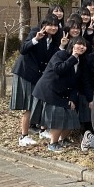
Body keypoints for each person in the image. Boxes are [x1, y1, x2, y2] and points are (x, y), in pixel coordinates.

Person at [30, 36, 88, 152]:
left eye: (84, 45)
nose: (82, 47)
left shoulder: (82, 61)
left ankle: (63, 139)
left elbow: (77, 82)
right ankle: (53, 143)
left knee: (72, 115)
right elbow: (59, 69)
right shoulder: (60, 55)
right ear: (72, 45)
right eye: (79, 44)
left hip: (65, 92)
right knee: (59, 115)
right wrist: (73, 57)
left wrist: (72, 98)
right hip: (50, 89)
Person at [11, 15, 61, 146]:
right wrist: (35, 39)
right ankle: (23, 136)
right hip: (26, 73)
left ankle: (43, 130)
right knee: (29, 105)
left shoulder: (54, 39)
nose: (53, 28)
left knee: (42, 101)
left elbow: (54, 57)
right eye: (50, 25)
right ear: (43, 25)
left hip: (39, 75)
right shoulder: (35, 32)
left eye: (56, 25)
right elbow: (23, 50)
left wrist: (62, 46)